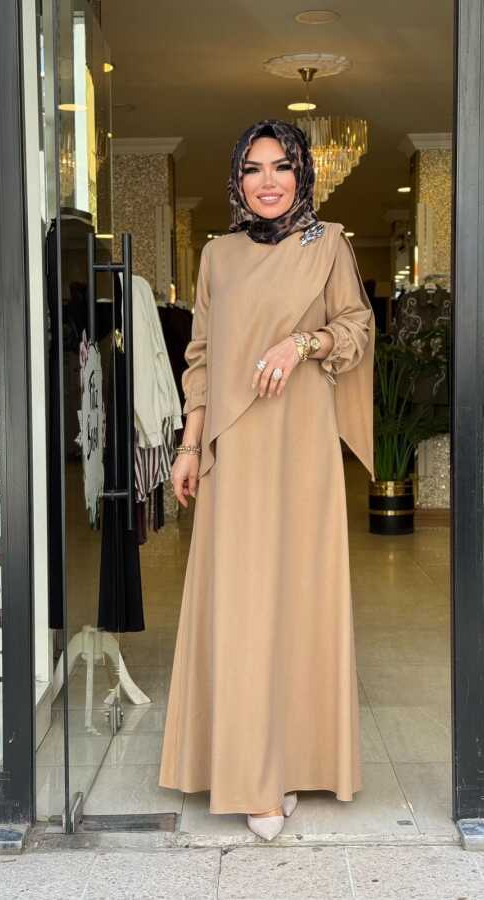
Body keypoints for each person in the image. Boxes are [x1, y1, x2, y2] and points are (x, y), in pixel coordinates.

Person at [158, 119, 375, 841]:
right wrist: (189, 445)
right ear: (238, 181)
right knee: (242, 603)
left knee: (297, 596)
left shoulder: (328, 244)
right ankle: (249, 769)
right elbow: (201, 354)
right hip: (235, 450)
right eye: (253, 169)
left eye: (281, 166)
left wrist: (302, 342)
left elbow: (356, 328)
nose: (268, 181)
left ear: (302, 173)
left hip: (302, 443)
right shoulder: (216, 255)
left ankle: (285, 760)